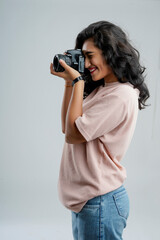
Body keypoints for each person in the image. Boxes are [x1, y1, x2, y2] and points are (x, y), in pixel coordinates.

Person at [50, 20, 150, 240]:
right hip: (90, 201)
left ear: (110, 52)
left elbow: (74, 135)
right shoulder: (103, 89)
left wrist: (78, 83)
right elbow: (67, 127)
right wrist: (70, 83)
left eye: (90, 55)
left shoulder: (121, 95)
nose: (85, 64)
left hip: (100, 201)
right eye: (82, 57)